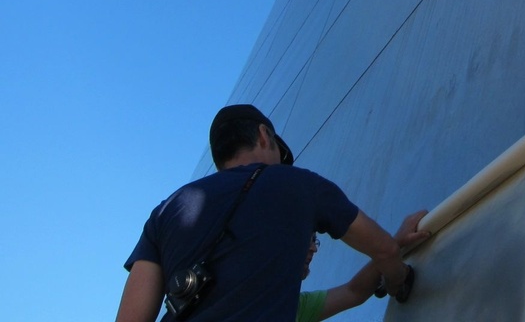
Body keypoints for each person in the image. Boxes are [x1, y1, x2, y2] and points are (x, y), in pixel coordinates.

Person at [116, 104, 429, 322]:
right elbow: (383, 250)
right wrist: (398, 280)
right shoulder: (300, 184)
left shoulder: (165, 212)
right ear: (264, 136)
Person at [297, 209, 427, 322]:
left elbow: (354, 292)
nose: (314, 248)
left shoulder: (295, 306)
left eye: (314, 240)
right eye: (306, 241)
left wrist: (396, 242)